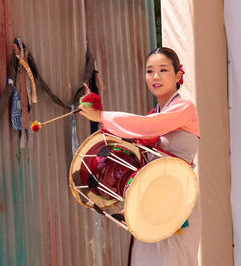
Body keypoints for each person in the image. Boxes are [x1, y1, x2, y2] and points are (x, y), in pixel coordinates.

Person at [78, 47, 201, 266]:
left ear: (178, 75)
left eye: (163, 70)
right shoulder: (154, 114)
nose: (155, 77)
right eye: (149, 71)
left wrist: (103, 116)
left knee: (174, 260)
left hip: (178, 196)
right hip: (150, 200)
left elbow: (146, 128)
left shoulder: (184, 108)